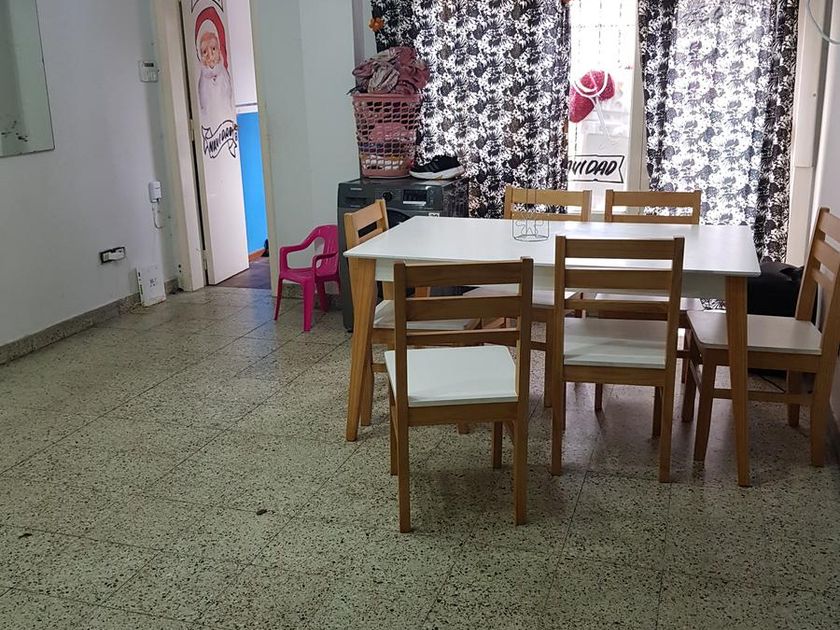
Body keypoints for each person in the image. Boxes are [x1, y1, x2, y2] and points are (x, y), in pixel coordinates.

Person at [196, 20, 234, 126]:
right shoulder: (203, 81)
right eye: (205, 52)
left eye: (213, 49)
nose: (210, 55)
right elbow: (204, 107)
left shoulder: (224, 74)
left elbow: (228, 99)